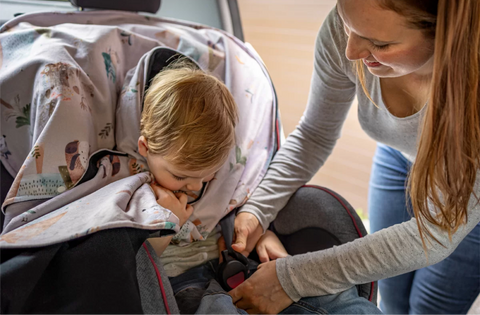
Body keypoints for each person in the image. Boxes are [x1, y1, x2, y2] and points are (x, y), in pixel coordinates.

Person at [229, 0, 480, 314]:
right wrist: (258, 209)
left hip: (471, 193)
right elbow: (314, 134)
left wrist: (292, 279)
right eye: (346, 24)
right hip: (399, 156)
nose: (350, 51)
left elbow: (432, 235)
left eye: (379, 43)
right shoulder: (346, 33)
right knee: (392, 294)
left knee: (430, 306)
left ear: (447, 35)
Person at [137, 62, 383, 314]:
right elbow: (134, 269)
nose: (196, 186)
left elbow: (240, 204)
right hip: (182, 284)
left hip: (239, 262)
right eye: (181, 176)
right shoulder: (134, 193)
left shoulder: (223, 171)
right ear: (145, 148)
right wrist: (165, 226)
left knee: (335, 296)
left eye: (208, 175)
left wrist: (262, 233)